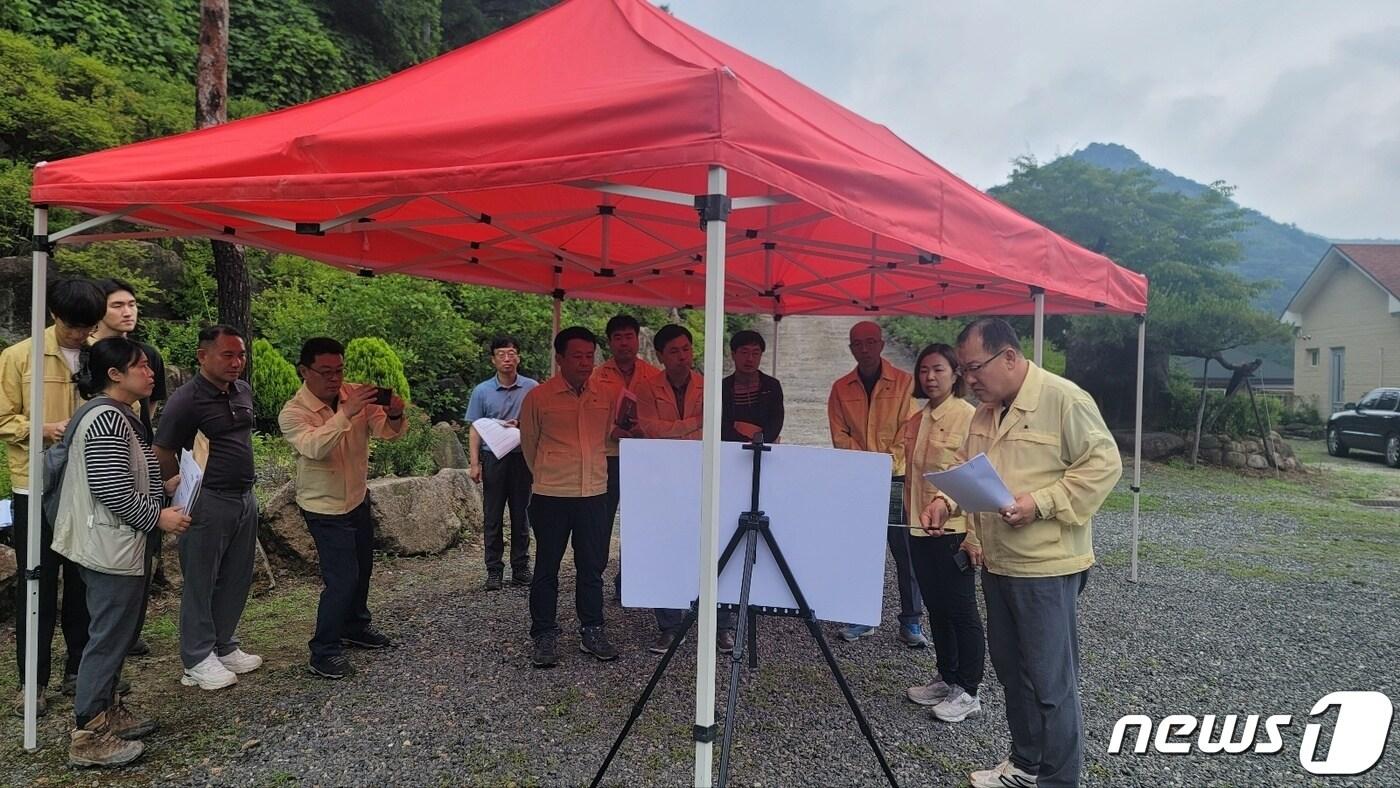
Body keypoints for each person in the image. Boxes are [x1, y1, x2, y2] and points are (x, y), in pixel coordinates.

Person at [920, 318, 1121, 788]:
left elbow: (1103, 464)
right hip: (998, 561)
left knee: (1051, 684)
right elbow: (971, 471)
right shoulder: (984, 412)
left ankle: (1059, 779)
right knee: (1013, 674)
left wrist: (1041, 502)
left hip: (1047, 568)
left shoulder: (1064, 399)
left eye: (974, 368)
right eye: (965, 370)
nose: (968, 379)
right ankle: (1025, 766)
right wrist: (945, 499)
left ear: (1009, 356)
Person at [56, 338, 190, 767]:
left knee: (118, 633)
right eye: (142, 367)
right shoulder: (107, 420)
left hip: (118, 543)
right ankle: (88, 734)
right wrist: (158, 517)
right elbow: (110, 489)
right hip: (109, 546)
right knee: (109, 636)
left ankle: (107, 711)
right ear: (115, 374)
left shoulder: (121, 416)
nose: (151, 373)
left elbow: (125, 478)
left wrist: (165, 488)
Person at [0, 278, 105, 716]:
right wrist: (39, 429)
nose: (80, 335)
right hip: (35, 484)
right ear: (54, 315)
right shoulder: (19, 356)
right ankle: (32, 683)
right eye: (72, 327)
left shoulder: (100, 355)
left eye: (87, 327)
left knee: (84, 581)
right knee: (37, 584)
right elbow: (3, 417)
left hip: (86, 485)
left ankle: (79, 670)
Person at [280, 338, 408, 680]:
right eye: (325, 372)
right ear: (304, 371)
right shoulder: (293, 412)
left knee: (363, 568)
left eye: (339, 370)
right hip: (323, 506)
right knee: (342, 579)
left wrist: (394, 412)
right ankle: (323, 650)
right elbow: (314, 447)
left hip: (356, 497)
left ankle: (355, 625)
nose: (334, 378)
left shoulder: (355, 395)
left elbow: (385, 432)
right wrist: (345, 414)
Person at [154, 325, 262, 690]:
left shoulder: (242, 391)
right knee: (201, 578)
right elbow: (163, 449)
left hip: (243, 496)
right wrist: (178, 488)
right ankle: (197, 657)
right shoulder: (186, 400)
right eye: (227, 355)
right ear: (203, 356)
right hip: (206, 499)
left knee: (236, 575)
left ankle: (223, 643)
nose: (237, 362)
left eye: (241, 354)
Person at [630, 325, 737, 654]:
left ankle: (724, 626)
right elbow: (649, 428)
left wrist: (677, 431)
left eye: (687, 349)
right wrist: (692, 424)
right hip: (662, 482)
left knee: (718, 548)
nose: (682, 356)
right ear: (660, 355)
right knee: (667, 550)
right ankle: (670, 626)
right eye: (674, 351)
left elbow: (715, 428)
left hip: (706, 477)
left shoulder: (710, 386)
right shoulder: (646, 388)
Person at [518, 326, 620, 668]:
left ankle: (592, 629)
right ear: (560, 358)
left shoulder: (604, 394)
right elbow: (529, 445)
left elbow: (609, 438)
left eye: (589, 356)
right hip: (551, 494)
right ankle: (544, 634)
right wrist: (551, 473)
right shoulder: (539, 397)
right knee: (547, 566)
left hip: (593, 493)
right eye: (576, 356)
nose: (584, 363)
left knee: (591, 566)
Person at [826, 320, 926, 647]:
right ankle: (860, 616)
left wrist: (883, 463)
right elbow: (839, 433)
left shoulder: (904, 384)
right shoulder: (841, 388)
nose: (865, 349)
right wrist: (865, 464)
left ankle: (911, 622)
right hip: (858, 481)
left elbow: (908, 432)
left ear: (882, 344)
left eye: (871, 342)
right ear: (851, 348)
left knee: (905, 550)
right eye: (858, 343)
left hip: (895, 478)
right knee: (860, 550)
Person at [902, 343, 985, 724]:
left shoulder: (969, 417)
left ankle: (969, 690)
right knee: (935, 605)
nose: (930, 377)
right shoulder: (919, 417)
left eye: (938, 370)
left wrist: (974, 536)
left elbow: (977, 480)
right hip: (919, 528)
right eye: (923, 371)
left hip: (954, 529)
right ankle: (946, 676)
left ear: (955, 374)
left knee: (962, 610)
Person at [94, 278, 168, 659]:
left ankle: (128, 632)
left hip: (139, 463)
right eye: (117, 305)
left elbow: (149, 412)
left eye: (133, 304)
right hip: (104, 475)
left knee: (143, 557)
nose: (128, 312)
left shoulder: (147, 353)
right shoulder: (91, 358)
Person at [591, 314, 660, 598]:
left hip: (643, 456)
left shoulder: (653, 374)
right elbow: (589, 414)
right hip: (608, 456)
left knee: (638, 521)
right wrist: (611, 429)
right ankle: (594, 576)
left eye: (628, 337)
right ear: (609, 343)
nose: (624, 343)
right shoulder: (597, 375)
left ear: (637, 339)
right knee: (602, 520)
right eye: (617, 338)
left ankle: (629, 581)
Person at [465, 336, 538, 591]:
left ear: (518, 357)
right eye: (501, 354)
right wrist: (474, 464)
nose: (507, 359)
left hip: (521, 457)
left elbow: (542, 423)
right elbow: (474, 428)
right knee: (492, 515)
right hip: (493, 457)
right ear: (493, 359)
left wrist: (522, 425)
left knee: (522, 514)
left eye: (511, 353)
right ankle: (493, 570)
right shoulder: (482, 391)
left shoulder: (532, 388)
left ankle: (520, 567)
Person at [720, 330, 784, 444]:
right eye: (744, 352)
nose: (750, 359)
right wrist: (744, 442)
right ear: (733, 355)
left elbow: (776, 421)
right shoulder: (723, 387)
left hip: (765, 446)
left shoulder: (772, 385)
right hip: (730, 447)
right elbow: (722, 423)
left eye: (755, 353)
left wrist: (760, 441)